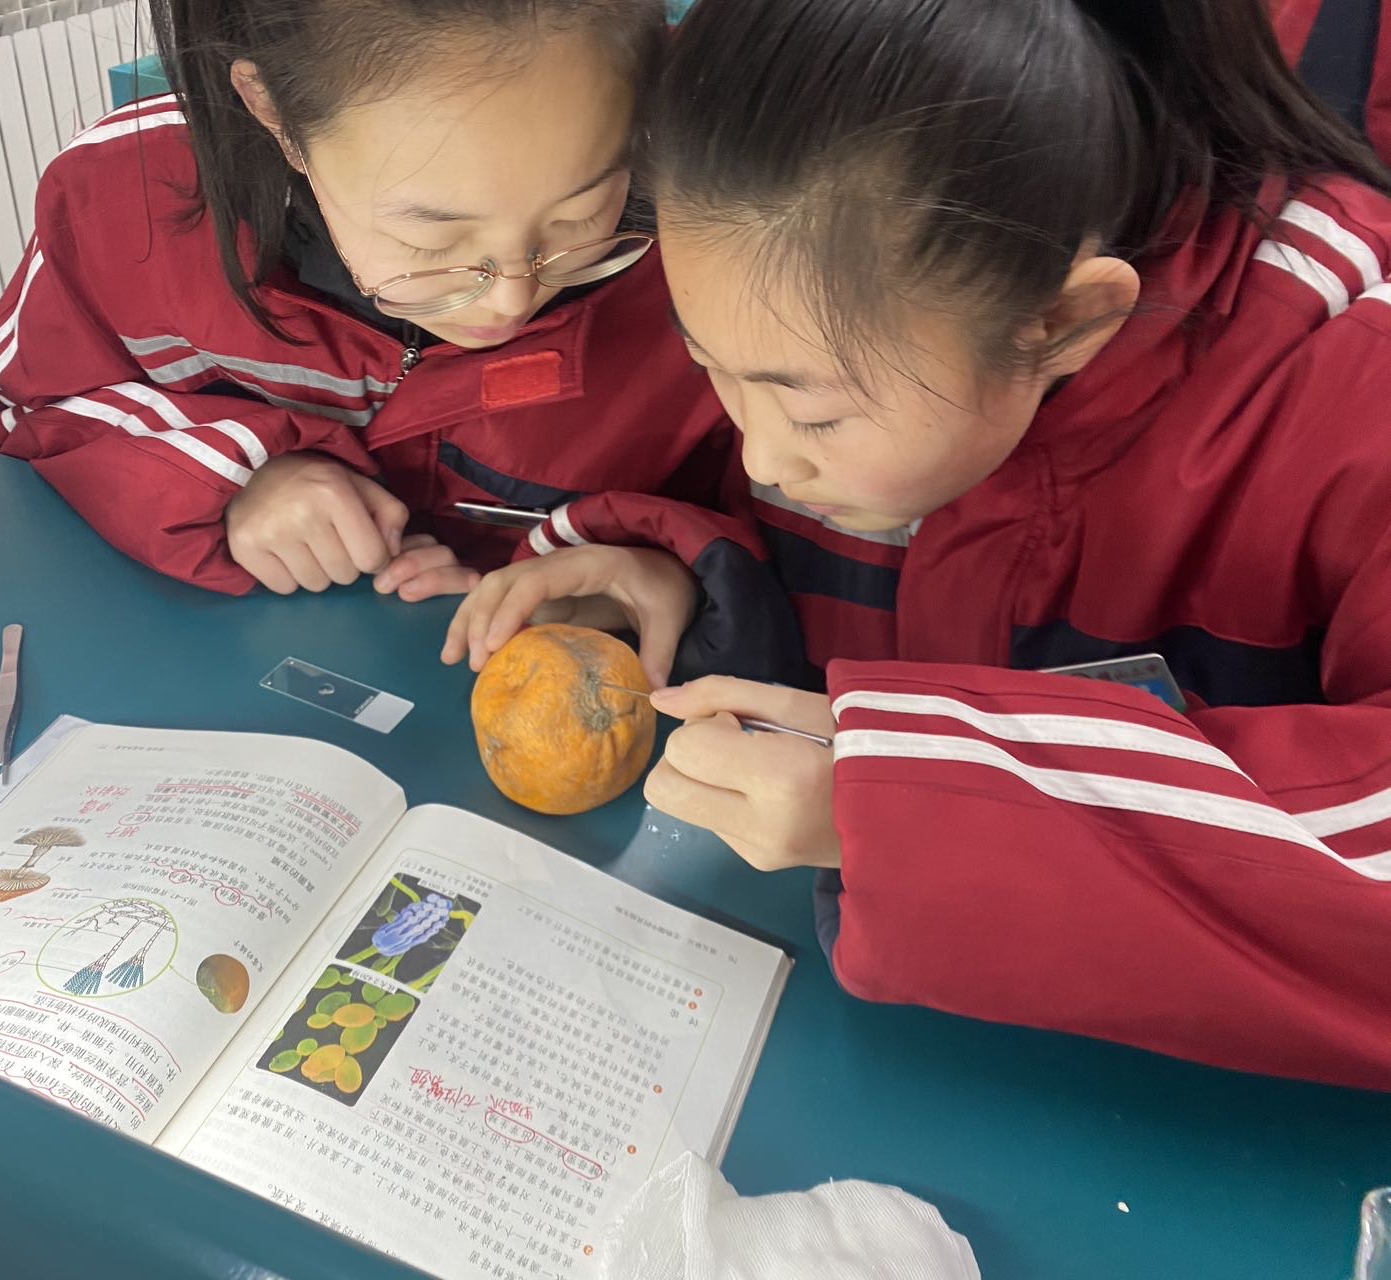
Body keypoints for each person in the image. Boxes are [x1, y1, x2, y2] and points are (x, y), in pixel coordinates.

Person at [450, 0, 1391, 1090]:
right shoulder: (786, 284)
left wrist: (909, 808)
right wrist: (671, 571)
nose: (762, 455)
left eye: (817, 416)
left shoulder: (1344, 378)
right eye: (712, 367)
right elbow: (744, 503)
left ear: (1061, 323)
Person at [0, 0, 798, 687]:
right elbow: (34, 414)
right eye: (430, 241)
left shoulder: (725, 230)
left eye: (582, 215)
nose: (510, 299)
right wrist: (227, 475)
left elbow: (797, 517)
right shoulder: (125, 203)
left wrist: (655, 572)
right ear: (274, 113)